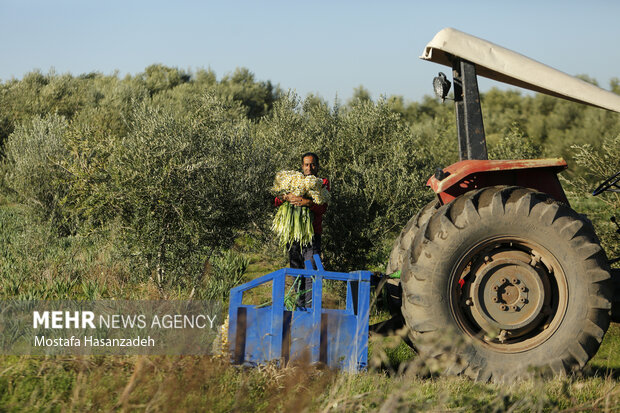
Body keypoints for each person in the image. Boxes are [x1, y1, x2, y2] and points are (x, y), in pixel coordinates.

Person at [274, 152, 330, 307]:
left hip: (312, 234)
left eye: (312, 164)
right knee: (296, 270)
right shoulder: (293, 180)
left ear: (317, 166)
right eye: (306, 164)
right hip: (293, 235)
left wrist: (308, 203)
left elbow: (322, 208)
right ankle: (299, 307)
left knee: (310, 269)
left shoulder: (322, 183)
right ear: (302, 166)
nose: (309, 168)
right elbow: (276, 200)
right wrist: (287, 197)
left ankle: (310, 308)